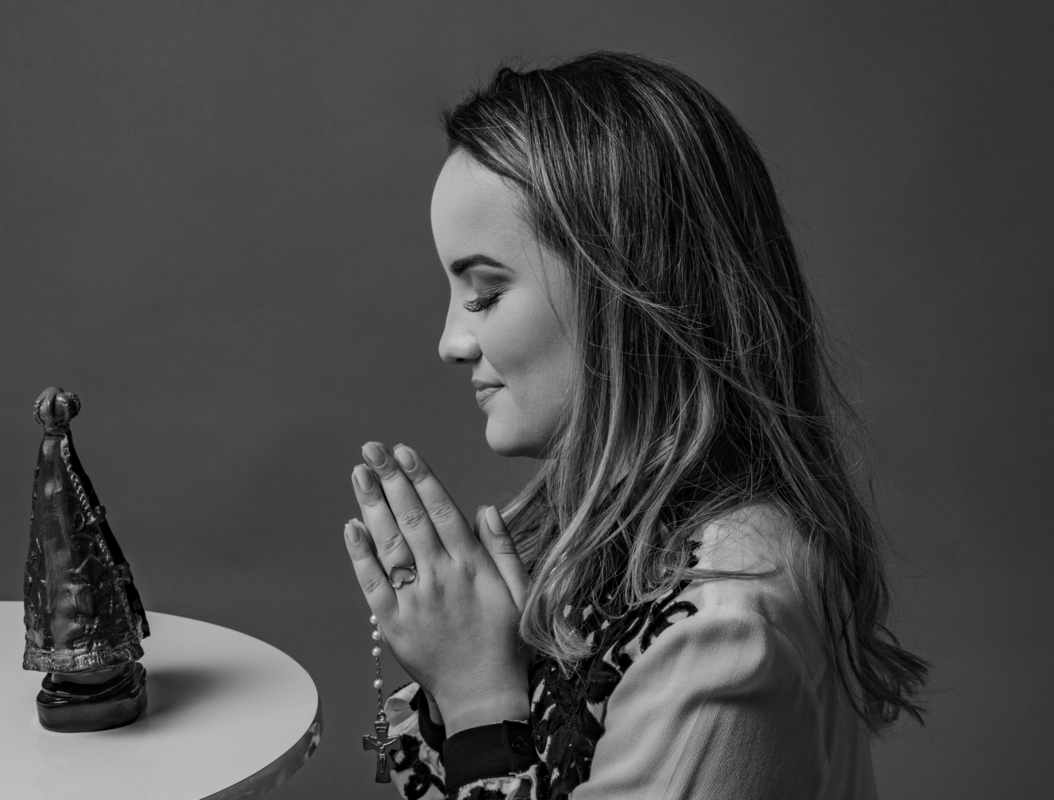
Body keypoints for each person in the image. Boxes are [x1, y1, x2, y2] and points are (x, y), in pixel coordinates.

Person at [342, 52, 927, 800]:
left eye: (485, 293)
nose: (451, 342)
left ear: (624, 288)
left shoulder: (726, 623)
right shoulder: (619, 541)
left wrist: (481, 704)